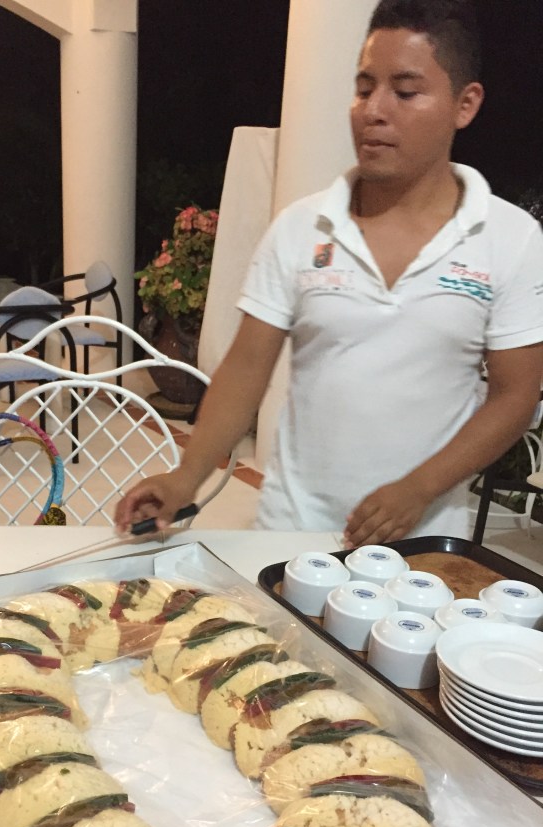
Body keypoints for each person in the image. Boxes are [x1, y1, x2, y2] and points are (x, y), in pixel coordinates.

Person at [116, 0, 543, 548]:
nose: (374, 111)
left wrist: (419, 489)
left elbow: (515, 396)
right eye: (364, 88)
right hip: (291, 534)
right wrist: (185, 476)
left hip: (424, 545)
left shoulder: (509, 238)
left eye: (404, 92)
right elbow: (246, 367)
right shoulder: (301, 227)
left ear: (465, 104)